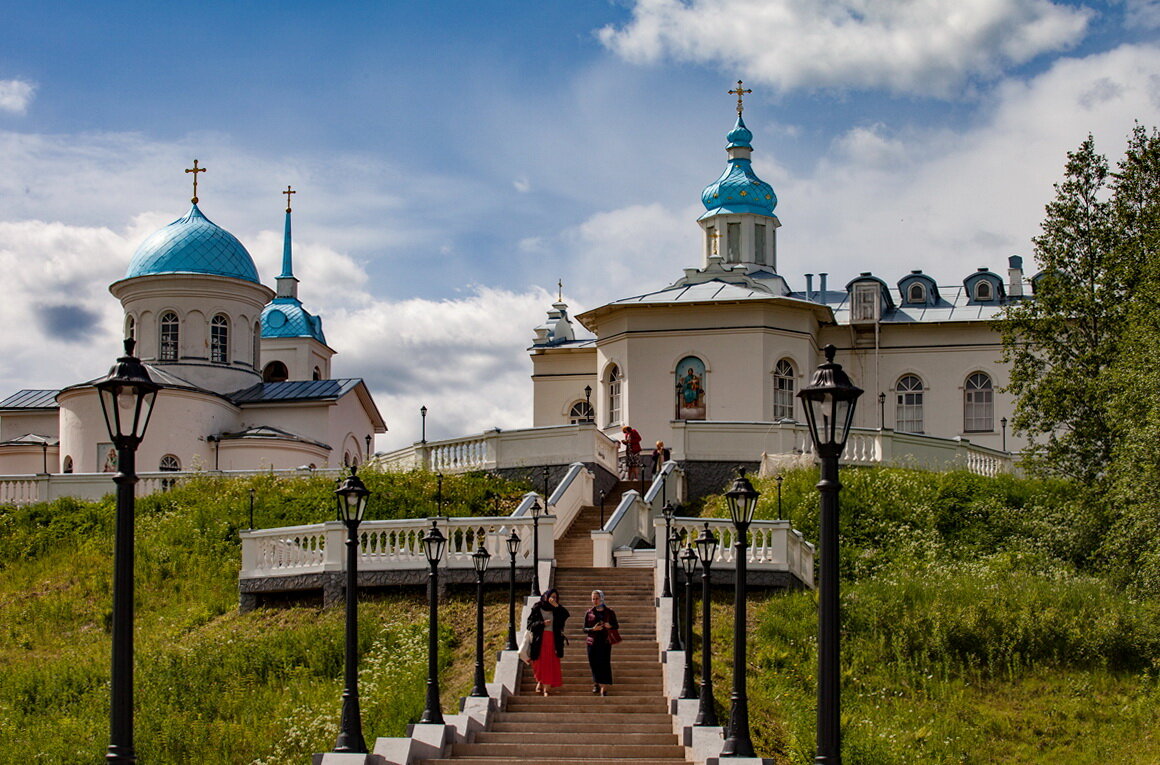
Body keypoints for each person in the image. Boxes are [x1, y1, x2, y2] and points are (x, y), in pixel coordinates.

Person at [527, 588, 570, 696]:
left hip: (553, 639)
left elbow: (566, 615)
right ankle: (540, 681)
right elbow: (530, 624)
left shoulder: (556, 609)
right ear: (546, 596)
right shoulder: (537, 607)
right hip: (539, 640)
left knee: (549, 663)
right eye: (552, 596)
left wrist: (556, 606)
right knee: (539, 663)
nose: (553, 599)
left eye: (555, 597)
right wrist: (542, 623)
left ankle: (547, 688)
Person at [583, 589, 619, 696]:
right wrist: (593, 629)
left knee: (604, 663)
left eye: (597, 598)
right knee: (594, 663)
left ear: (602, 598)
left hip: (605, 641)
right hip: (592, 642)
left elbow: (616, 625)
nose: (595, 601)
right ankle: (596, 683)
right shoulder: (589, 612)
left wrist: (610, 625)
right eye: (593, 599)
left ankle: (604, 686)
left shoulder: (609, 612)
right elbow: (584, 629)